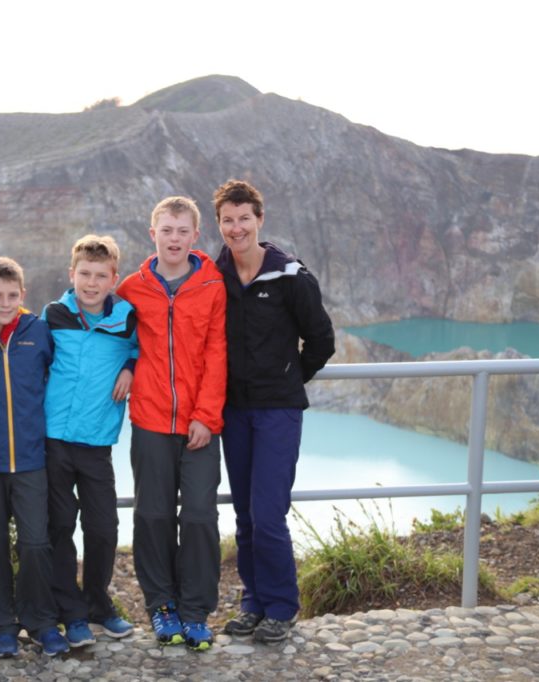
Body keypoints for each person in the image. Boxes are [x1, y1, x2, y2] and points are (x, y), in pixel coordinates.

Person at [212, 179, 335, 644]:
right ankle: (254, 604)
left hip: (278, 411)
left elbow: (322, 339)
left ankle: (282, 607)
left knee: (268, 513)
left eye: (245, 218)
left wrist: (289, 377)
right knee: (245, 515)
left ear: (259, 221)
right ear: (219, 224)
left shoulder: (290, 275)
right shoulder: (214, 273)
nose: (237, 227)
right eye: (228, 219)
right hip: (235, 412)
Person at [116, 197, 227, 651]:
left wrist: (206, 416)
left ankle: (196, 611)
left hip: (200, 425)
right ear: (153, 233)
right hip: (150, 420)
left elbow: (218, 354)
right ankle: (162, 607)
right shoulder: (132, 288)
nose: (175, 238)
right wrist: (126, 364)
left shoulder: (213, 285)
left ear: (195, 236)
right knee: (153, 515)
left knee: (200, 515)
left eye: (183, 230)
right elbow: (111, 336)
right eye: (167, 230)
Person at [0, 257, 70, 658]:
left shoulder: (39, 332)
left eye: (12, 295)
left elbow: (68, 370)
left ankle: (41, 621)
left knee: (35, 543)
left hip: (30, 458)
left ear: (23, 296)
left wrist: (129, 366)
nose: (4, 303)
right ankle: (2, 626)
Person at [42, 235, 139, 647]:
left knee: (103, 528)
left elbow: (144, 349)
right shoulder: (53, 315)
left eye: (101, 276)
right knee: (60, 527)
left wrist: (131, 368)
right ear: (72, 274)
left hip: (98, 443)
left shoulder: (128, 319)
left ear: (114, 278)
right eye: (85, 274)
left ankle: (99, 604)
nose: (92, 283)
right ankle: (72, 614)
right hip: (54, 440)